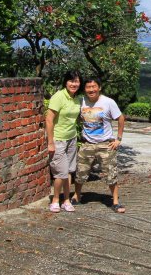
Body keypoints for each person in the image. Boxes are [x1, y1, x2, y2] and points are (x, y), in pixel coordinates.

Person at [73, 76, 126, 213]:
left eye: (93, 87)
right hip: (87, 144)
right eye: (88, 87)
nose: (91, 90)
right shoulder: (81, 102)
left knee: (111, 174)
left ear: (99, 87)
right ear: (84, 89)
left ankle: (115, 202)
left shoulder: (108, 102)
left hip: (105, 144)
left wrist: (118, 139)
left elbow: (120, 118)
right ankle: (76, 196)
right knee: (80, 172)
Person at [45, 70, 82, 213]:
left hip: (72, 138)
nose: (74, 84)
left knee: (69, 171)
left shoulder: (76, 98)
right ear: (66, 82)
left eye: (77, 81)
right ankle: (55, 200)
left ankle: (66, 200)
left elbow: (77, 118)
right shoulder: (58, 96)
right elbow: (49, 119)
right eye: (71, 81)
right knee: (60, 172)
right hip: (58, 139)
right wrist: (50, 142)